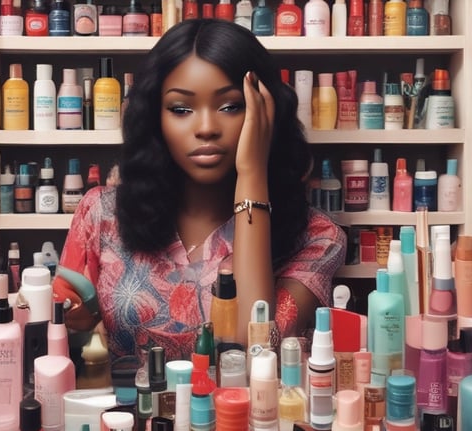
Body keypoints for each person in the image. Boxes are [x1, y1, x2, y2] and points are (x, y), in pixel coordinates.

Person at [58, 18, 346, 362]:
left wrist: (252, 172)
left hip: (245, 416)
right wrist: (72, 321)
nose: (206, 128)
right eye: (181, 109)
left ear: (266, 112)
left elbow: (250, 349)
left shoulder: (318, 238)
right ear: (155, 118)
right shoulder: (101, 214)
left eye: (230, 106)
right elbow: (60, 337)